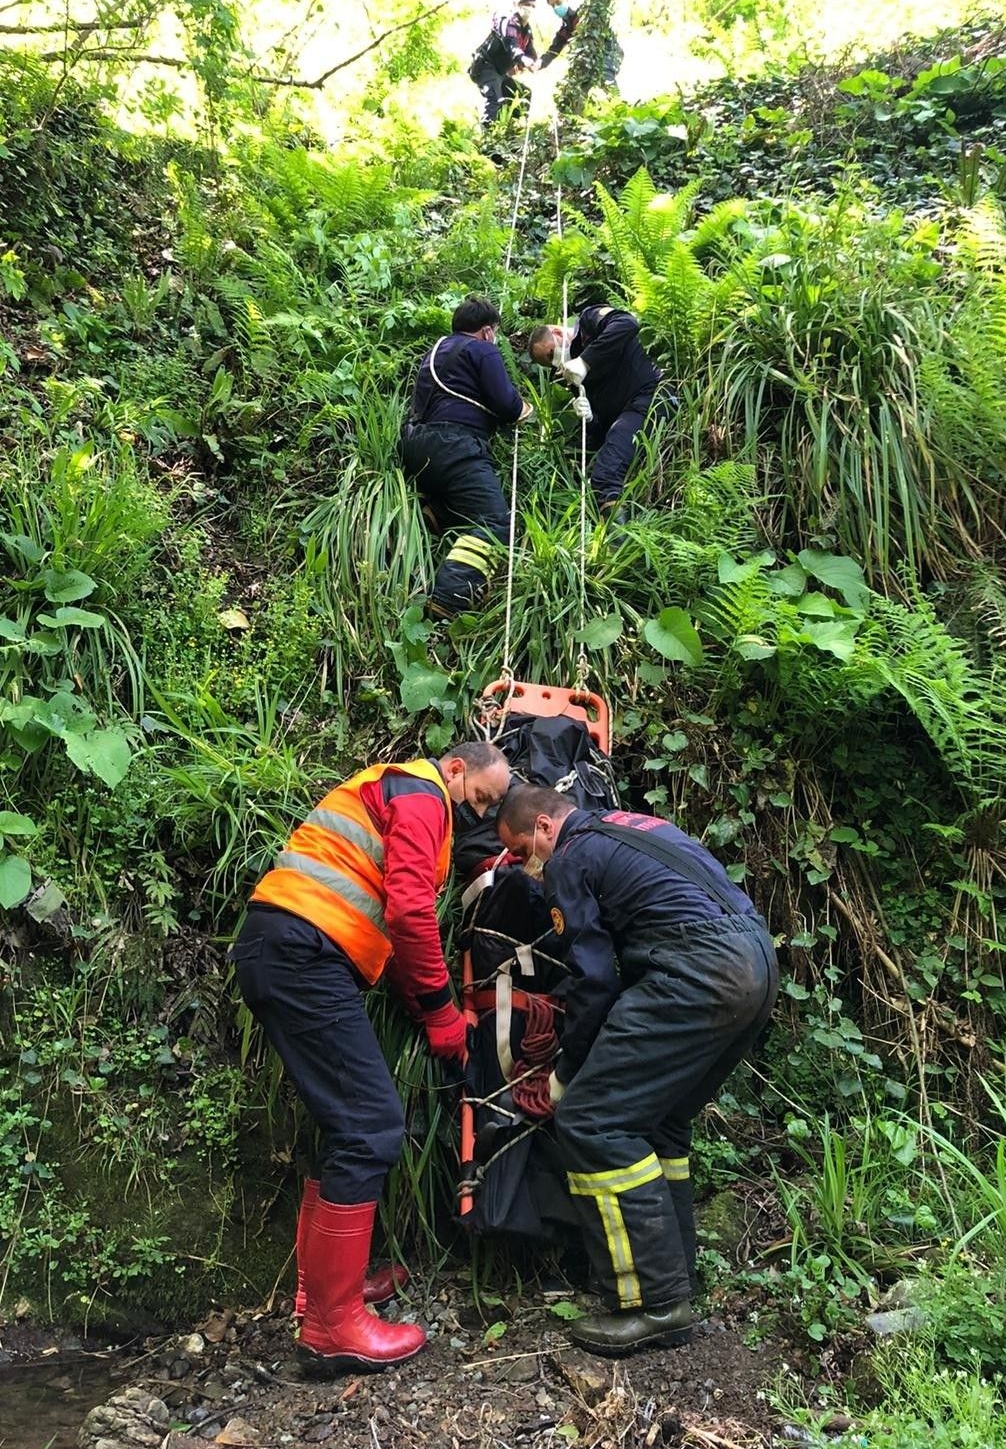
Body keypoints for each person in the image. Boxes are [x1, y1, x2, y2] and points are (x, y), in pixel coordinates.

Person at [233, 742, 512, 1372]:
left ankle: (323, 1294)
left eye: (494, 808)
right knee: (371, 1126)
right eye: (480, 798)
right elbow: (410, 911)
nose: (481, 813)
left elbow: (383, 913)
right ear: (457, 769)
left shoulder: (401, 794)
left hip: (288, 948)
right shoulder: (422, 794)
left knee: (344, 1124)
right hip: (303, 952)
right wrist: (442, 1013)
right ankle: (332, 1327)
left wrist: (420, 1000)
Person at [495, 787, 779, 1357]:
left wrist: (566, 1074)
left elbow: (593, 980)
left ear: (546, 827)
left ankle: (656, 1304)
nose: (524, 864)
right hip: (757, 962)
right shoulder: (637, 826)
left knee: (593, 1122)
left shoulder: (570, 858)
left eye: (522, 849)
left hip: (697, 973)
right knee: (660, 1121)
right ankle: (677, 1274)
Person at [400, 295, 532, 618]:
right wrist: (525, 410)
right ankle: (450, 596)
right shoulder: (483, 349)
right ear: (488, 332)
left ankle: (439, 511)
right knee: (497, 522)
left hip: (415, 446)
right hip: (456, 446)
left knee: (466, 501)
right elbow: (507, 406)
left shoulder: (434, 351)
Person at [527, 305, 663, 516]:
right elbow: (600, 431)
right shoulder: (571, 377)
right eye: (551, 364)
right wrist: (588, 418)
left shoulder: (588, 323)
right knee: (600, 469)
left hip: (649, 396)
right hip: (623, 419)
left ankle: (617, 543)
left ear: (557, 332)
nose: (557, 363)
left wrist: (585, 361)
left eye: (552, 353)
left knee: (606, 475)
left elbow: (628, 323)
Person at [468, 0, 538, 126]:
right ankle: (488, 139)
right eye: (526, 5)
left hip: (501, 73)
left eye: (533, 6)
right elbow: (512, 44)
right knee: (495, 98)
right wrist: (522, 58)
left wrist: (536, 62)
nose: (530, 8)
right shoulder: (508, 22)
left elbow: (530, 52)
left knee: (523, 94)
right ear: (517, 5)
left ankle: (511, 133)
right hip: (485, 67)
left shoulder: (526, 31)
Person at [539, 0, 622, 86]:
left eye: (558, 2)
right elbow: (553, 51)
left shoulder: (584, 15)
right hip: (589, 60)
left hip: (609, 53)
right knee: (581, 87)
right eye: (553, 6)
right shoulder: (565, 30)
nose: (556, 7)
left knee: (606, 82)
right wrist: (539, 63)